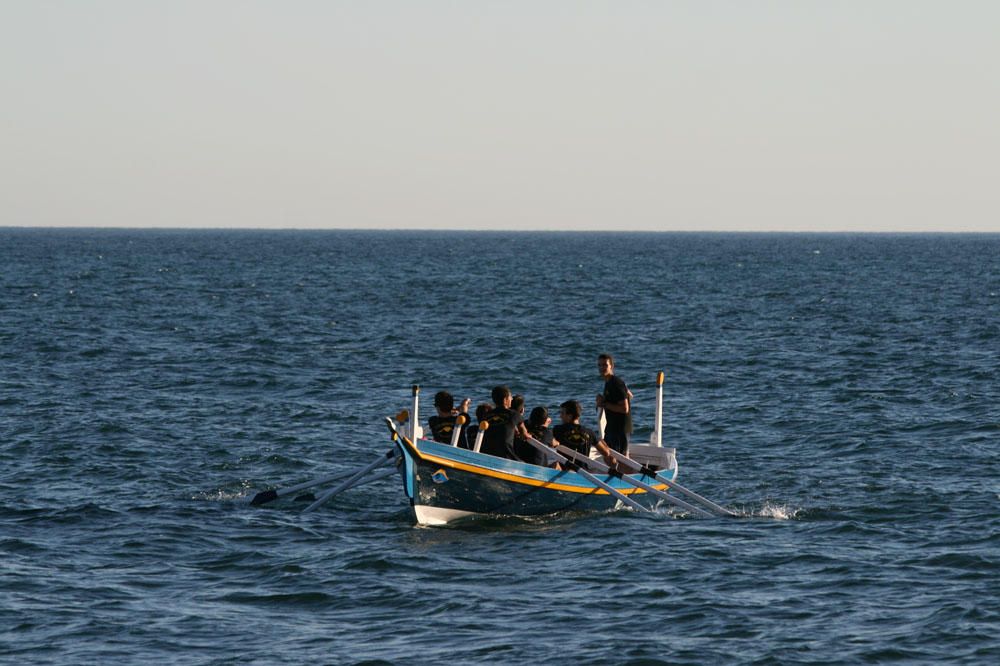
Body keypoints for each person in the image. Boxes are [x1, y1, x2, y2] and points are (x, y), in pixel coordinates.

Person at [552, 399, 617, 468]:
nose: (560, 416)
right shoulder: (589, 433)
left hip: (563, 471)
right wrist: (602, 442)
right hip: (583, 473)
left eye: (562, 413)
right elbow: (606, 452)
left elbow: (548, 441)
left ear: (570, 416)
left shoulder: (558, 430)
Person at [480, 385, 532, 461]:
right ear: (505, 400)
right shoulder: (514, 414)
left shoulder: (486, 416)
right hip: (506, 455)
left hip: (486, 453)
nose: (512, 399)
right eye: (510, 397)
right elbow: (524, 434)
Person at [595, 353, 632, 454]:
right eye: (599, 365)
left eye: (605, 365)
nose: (602, 368)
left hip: (620, 430)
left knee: (622, 460)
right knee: (610, 457)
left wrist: (604, 404)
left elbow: (625, 409)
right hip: (611, 428)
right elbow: (627, 394)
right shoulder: (609, 382)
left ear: (611, 366)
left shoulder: (616, 382)